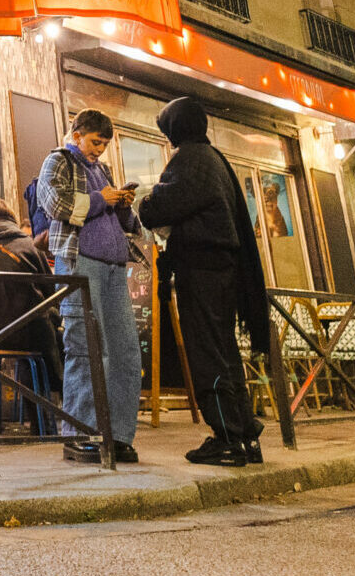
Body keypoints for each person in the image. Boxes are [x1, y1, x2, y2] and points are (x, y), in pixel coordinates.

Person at [135, 98, 268, 467]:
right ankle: (242, 434)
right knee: (224, 351)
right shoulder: (214, 158)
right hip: (223, 270)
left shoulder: (190, 159)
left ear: (177, 128)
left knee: (206, 351)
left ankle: (225, 435)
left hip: (203, 270)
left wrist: (142, 201)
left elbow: (159, 207)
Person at [38, 109, 144, 464]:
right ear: (77, 133)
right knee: (85, 347)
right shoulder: (58, 161)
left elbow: (119, 221)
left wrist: (124, 207)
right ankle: (78, 433)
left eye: (104, 143)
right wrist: (104, 199)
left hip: (114, 267)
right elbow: (55, 204)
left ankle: (117, 435)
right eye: (95, 141)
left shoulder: (103, 170)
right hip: (81, 263)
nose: (99, 149)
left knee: (124, 351)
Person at [0, 197, 60, 417]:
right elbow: (52, 291)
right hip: (28, 330)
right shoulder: (29, 244)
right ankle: (44, 420)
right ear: (12, 217)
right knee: (37, 352)